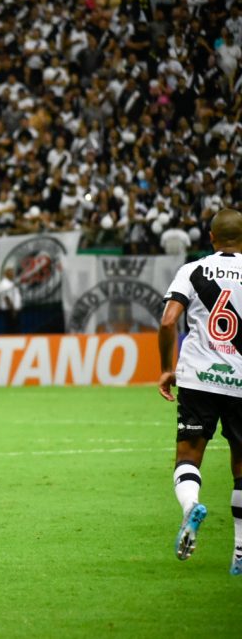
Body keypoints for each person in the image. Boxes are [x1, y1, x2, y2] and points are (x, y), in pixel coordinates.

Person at [158, 207, 242, 576]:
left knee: (188, 457)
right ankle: (240, 552)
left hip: (197, 378)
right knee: (241, 466)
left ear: (210, 238)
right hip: (241, 378)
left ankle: (191, 505)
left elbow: (168, 322)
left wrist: (166, 368)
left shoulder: (194, 270)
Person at [0, 267, 23, 333]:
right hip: (10, 309)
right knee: (11, 327)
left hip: (14, 309)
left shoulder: (10, 283)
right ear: (6, 274)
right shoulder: (4, 284)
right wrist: (12, 310)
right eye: (11, 273)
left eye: (13, 273)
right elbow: (6, 297)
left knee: (15, 326)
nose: (13, 274)